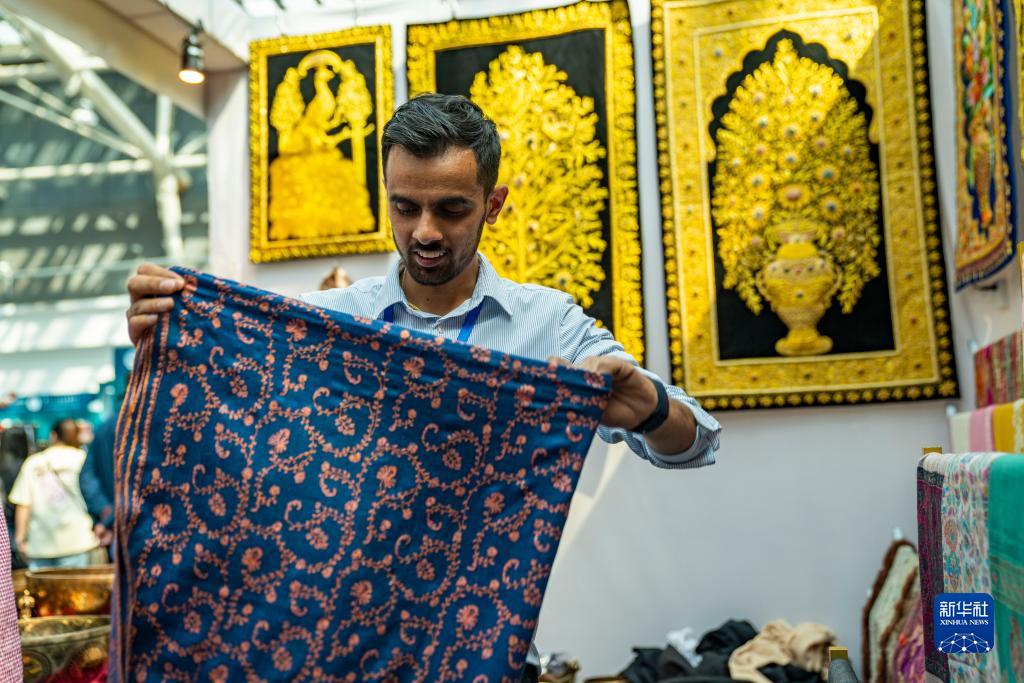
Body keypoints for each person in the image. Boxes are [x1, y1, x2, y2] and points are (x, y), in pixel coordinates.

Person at [125, 93, 722, 682]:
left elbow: (696, 443)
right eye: (405, 207)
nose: (425, 232)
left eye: (452, 209)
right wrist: (172, 339)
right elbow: (227, 442)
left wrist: (648, 408)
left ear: (493, 205)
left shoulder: (550, 326)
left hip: (487, 662)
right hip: (344, 661)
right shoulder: (328, 323)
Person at [8, 417, 99, 570]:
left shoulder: (34, 463)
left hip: (41, 545)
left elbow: (23, 503)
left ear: (53, 435)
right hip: (78, 540)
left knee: (41, 586)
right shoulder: (82, 459)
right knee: (76, 585)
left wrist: (20, 538)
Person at [79, 415, 116, 558]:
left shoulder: (104, 428)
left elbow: (87, 479)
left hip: (113, 528)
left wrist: (106, 513)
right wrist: (109, 516)